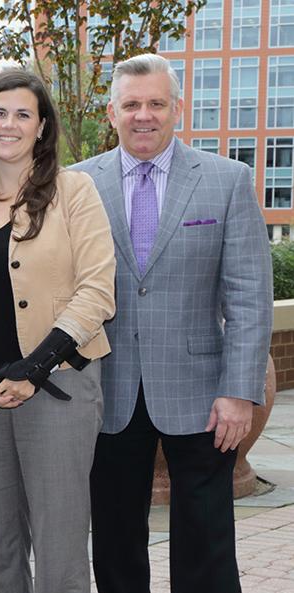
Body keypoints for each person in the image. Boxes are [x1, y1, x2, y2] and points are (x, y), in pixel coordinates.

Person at [71, 53, 272, 593]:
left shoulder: (228, 181)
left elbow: (250, 296)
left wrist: (239, 391)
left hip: (204, 394)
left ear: (177, 109)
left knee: (206, 537)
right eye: (131, 105)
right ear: (110, 112)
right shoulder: (74, 185)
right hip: (106, 388)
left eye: (156, 103)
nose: (144, 115)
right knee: (113, 537)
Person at [0, 69, 116, 593]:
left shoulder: (74, 191)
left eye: (24, 114)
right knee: (0, 543)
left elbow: (98, 290)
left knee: (60, 543)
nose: (10, 124)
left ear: (42, 127)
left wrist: (35, 369)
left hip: (58, 389)